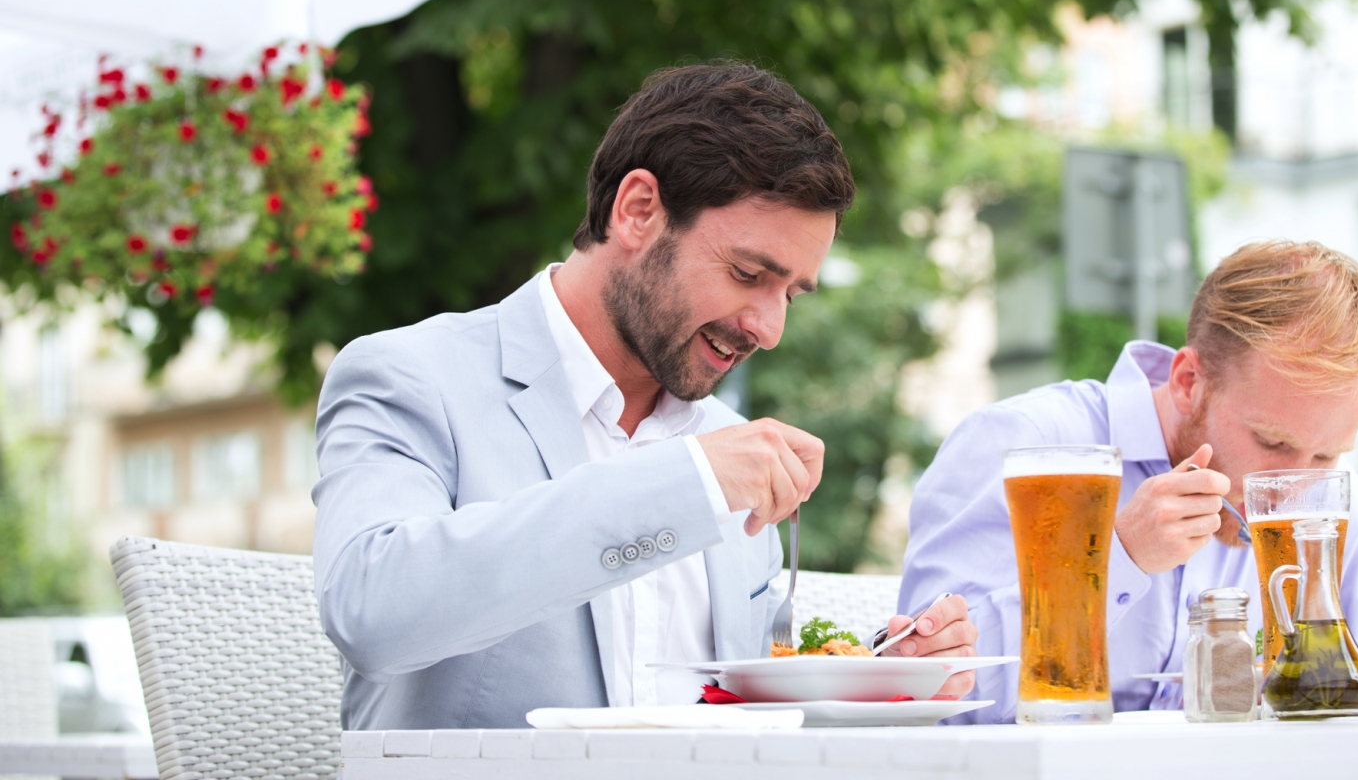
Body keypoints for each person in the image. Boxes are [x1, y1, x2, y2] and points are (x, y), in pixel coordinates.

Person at [312, 62, 976, 730]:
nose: (769, 330)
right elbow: (372, 612)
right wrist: (683, 485)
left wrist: (879, 682)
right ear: (637, 211)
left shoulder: (728, 445)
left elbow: (747, 713)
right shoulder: (408, 377)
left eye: (791, 294)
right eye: (748, 273)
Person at [901, 239, 1358, 721]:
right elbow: (927, 687)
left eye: (1327, 454)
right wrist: (1117, 556)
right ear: (1187, 381)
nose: (1295, 484)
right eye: (1273, 442)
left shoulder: (1326, 501)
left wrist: (1332, 687)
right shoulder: (1025, 446)